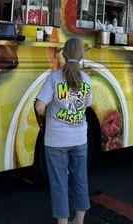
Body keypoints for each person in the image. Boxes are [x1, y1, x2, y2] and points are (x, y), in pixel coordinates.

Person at [35, 38, 92, 224]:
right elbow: (88, 104)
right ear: (81, 55)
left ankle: (63, 222)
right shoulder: (86, 79)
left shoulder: (54, 78)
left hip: (56, 140)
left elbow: (39, 107)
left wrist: (49, 111)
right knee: (80, 178)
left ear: (64, 54)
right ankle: (79, 220)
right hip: (79, 138)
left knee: (59, 183)